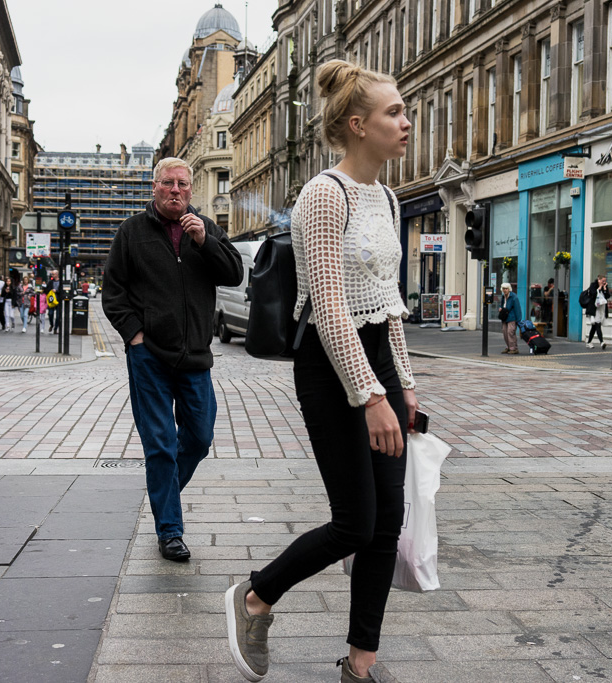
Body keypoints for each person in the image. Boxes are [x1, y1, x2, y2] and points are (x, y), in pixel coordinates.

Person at [223, 60, 419, 683]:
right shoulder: (322, 195)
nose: (406, 121)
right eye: (394, 112)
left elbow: (388, 305)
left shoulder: (388, 198)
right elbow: (330, 307)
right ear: (358, 125)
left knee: (387, 523)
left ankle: (361, 662)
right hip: (330, 368)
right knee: (354, 522)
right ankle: (255, 596)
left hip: (377, 365)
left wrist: (404, 386)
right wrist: (370, 397)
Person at [103, 157, 243, 563]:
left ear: (191, 189)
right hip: (149, 357)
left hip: (196, 355)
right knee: (161, 443)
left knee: (199, 437)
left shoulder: (205, 229)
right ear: (154, 187)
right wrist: (135, 335)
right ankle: (170, 531)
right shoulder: (132, 232)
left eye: (183, 184)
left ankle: (163, 497)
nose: (176, 190)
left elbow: (234, 274)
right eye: (168, 183)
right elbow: (113, 292)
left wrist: (206, 241)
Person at [584, 274, 610, 349]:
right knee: (597, 325)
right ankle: (602, 342)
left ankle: (589, 342)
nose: (604, 282)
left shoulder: (604, 287)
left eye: (605, 281)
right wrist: (599, 288)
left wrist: (605, 289)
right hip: (594, 309)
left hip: (601, 309)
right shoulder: (593, 285)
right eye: (603, 281)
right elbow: (593, 294)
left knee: (594, 327)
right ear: (599, 280)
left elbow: (607, 296)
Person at [500, 282, 521, 354]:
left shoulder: (514, 297)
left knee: (510, 332)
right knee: (505, 332)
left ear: (509, 289)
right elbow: (502, 305)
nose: (504, 290)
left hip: (512, 317)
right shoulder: (503, 296)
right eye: (503, 289)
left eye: (506, 289)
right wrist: (500, 308)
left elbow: (517, 309)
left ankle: (514, 348)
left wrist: (518, 320)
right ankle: (508, 346)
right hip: (504, 317)